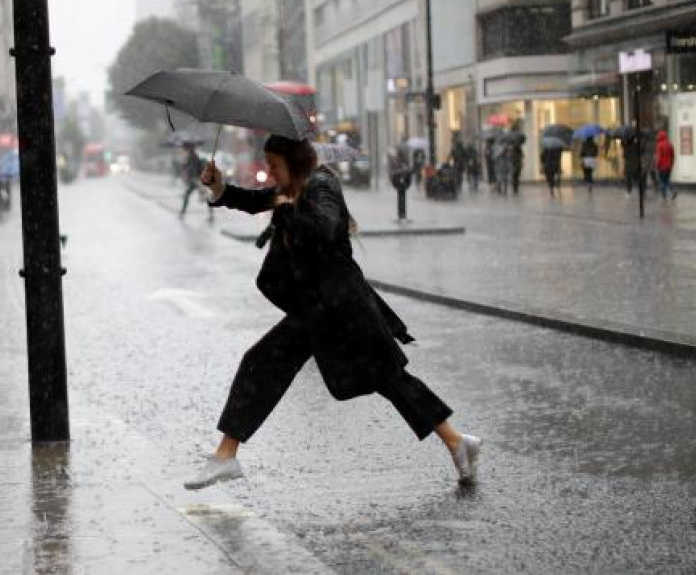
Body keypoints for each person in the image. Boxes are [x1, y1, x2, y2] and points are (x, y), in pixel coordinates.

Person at [184, 134, 482, 490]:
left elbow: (323, 228)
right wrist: (220, 189)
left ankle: (456, 441)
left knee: (389, 380)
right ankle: (225, 455)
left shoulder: (320, 185)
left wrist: (288, 207)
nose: (269, 170)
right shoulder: (291, 188)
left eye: (274, 163)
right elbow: (254, 200)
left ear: (292, 163)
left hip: (342, 308)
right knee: (266, 363)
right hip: (319, 307)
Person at [178, 142, 213, 220]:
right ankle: (182, 213)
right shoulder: (190, 156)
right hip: (195, 180)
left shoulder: (192, 156)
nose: (182, 150)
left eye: (183, 148)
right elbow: (187, 167)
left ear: (187, 149)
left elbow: (192, 169)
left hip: (197, 180)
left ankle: (182, 213)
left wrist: (191, 177)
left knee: (203, 196)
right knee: (188, 196)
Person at [655, 130, 677, 200]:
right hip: (669, 166)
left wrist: (657, 165)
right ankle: (671, 191)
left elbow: (659, 157)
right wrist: (671, 164)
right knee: (667, 179)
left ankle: (665, 195)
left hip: (662, 166)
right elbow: (673, 155)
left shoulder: (659, 145)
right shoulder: (670, 144)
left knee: (662, 180)